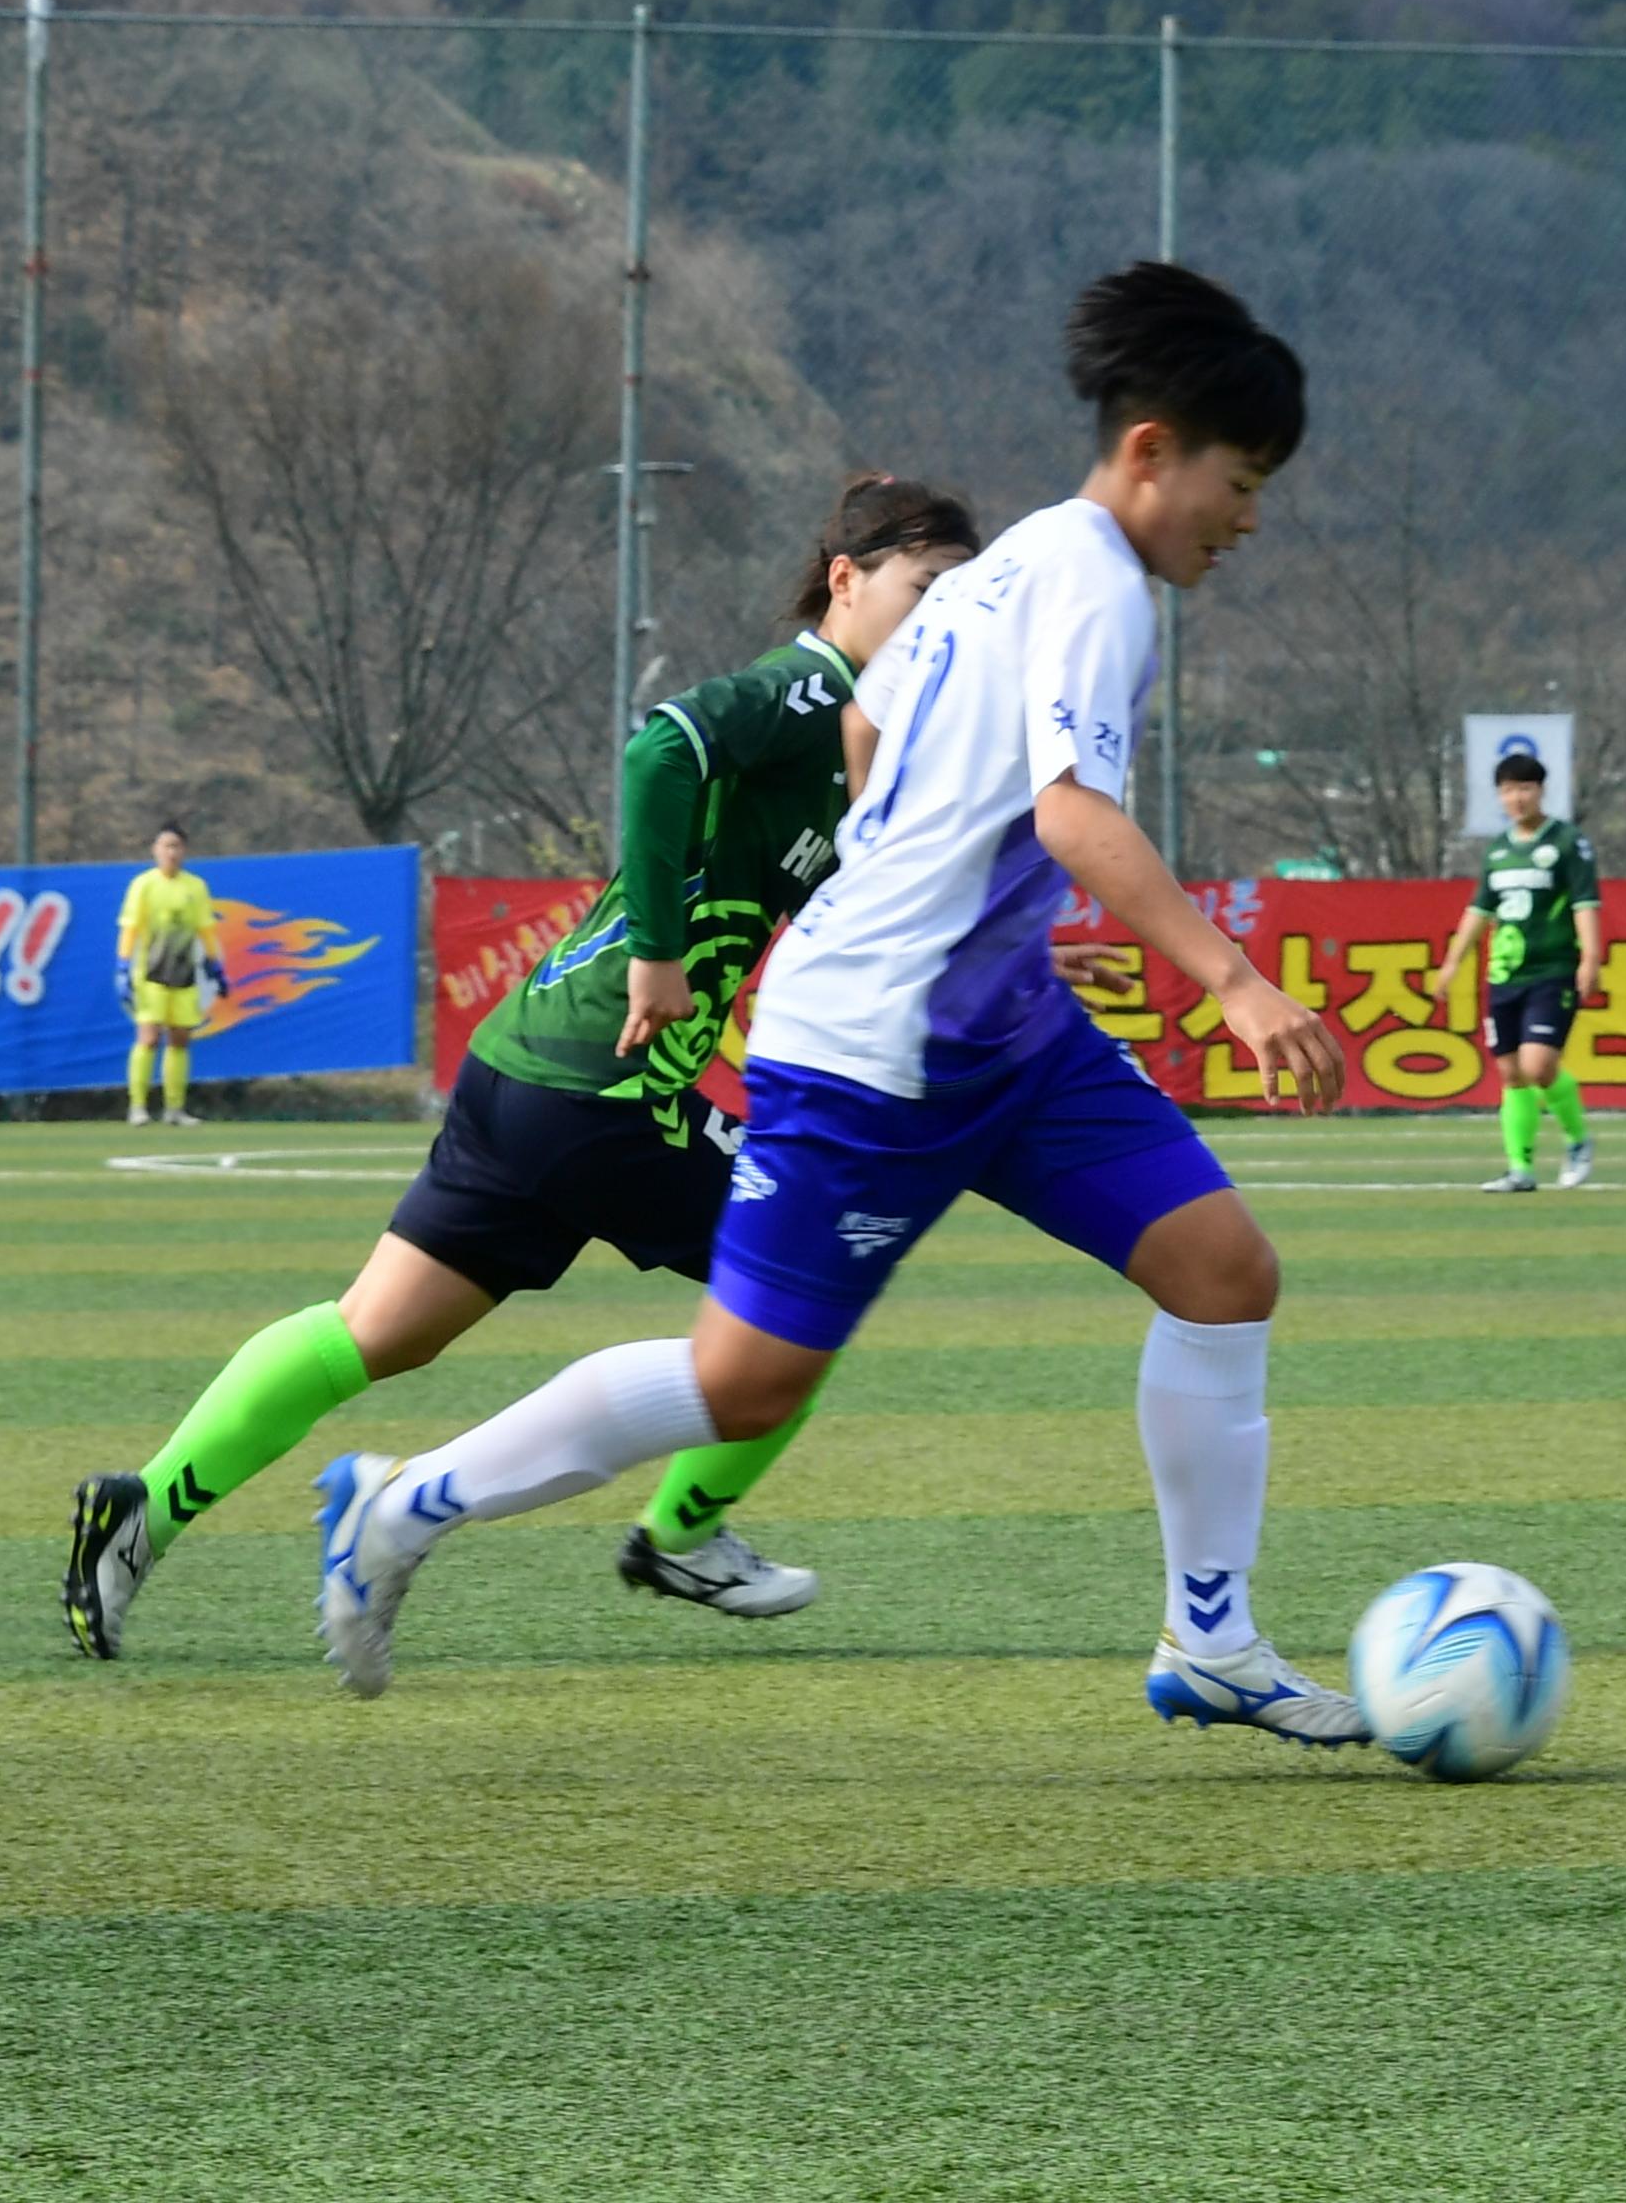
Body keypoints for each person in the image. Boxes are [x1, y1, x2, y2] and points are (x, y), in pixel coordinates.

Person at [313, 263, 1373, 1750]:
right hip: (875, 1042)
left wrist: (911, 857)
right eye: (1240, 481)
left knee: (1223, 1272)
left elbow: (872, 724)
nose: (1248, 519)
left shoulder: (1002, 569)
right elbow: (1074, 817)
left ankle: (1212, 1639)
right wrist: (1240, 985)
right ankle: (407, 1501)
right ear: (1153, 451)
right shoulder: (1094, 585)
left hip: (1000, 1029)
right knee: (744, 1387)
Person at [59, 477, 982, 1659]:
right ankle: (674, 1529)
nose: (941, 618)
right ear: (845, 579)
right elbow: (661, 749)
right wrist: (658, 954)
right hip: (607, 1081)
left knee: (374, 1330)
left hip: (526, 1066)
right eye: (925, 589)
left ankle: (144, 1506)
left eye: (964, 597)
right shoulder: (811, 690)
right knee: (807, 1286)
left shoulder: (871, 736)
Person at [1427, 749, 1602, 1191]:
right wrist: (1452, 963)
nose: (1517, 798)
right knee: (1509, 1072)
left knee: (1538, 1065)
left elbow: (1585, 903)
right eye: (1508, 790)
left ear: (1541, 791)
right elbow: (1479, 911)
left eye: (1525, 788)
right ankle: (1520, 1168)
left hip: (1552, 968)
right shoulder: (1499, 850)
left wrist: (1591, 958)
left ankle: (1579, 1139)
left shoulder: (1565, 843)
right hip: (1504, 975)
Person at [117, 823, 228, 1127]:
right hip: (150, 974)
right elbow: (130, 928)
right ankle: (138, 1107)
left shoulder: (195, 887)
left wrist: (215, 965)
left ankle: (174, 1109)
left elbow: (205, 929)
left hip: (184, 974)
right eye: (165, 846)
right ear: (155, 850)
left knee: (180, 1040)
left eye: (176, 846)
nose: (171, 852)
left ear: (184, 851)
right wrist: (123, 966)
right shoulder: (143, 885)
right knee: (149, 1037)